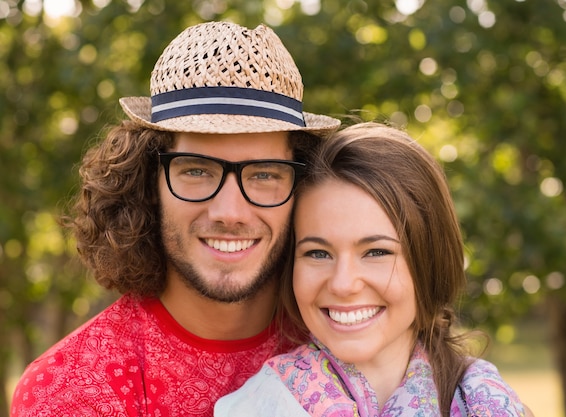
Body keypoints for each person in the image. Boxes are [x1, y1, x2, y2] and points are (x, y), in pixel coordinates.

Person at [10, 21, 340, 416]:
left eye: (264, 174)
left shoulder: (352, 348)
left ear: (301, 185)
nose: (229, 213)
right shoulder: (71, 388)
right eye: (197, 171)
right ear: (149, 181)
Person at [215, 122, 531, 417]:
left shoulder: (485, 401)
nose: (343, 284)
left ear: (429, 260)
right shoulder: (258, 406)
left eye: (376, 251)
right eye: (318, 253)